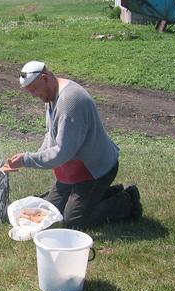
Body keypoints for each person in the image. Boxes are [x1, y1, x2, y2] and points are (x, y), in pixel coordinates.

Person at [7, 61, 141, 229]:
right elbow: (51, 135)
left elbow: (62, 152)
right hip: (73, 171)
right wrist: (33, 155)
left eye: (34, 90)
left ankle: (126, 201)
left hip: (95, 171)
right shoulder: (51, 94)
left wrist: (27, 160)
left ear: (44, 78)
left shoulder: (69, 102)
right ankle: (104, 195)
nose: (34, 95)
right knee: (51, 214)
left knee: (72, 222)